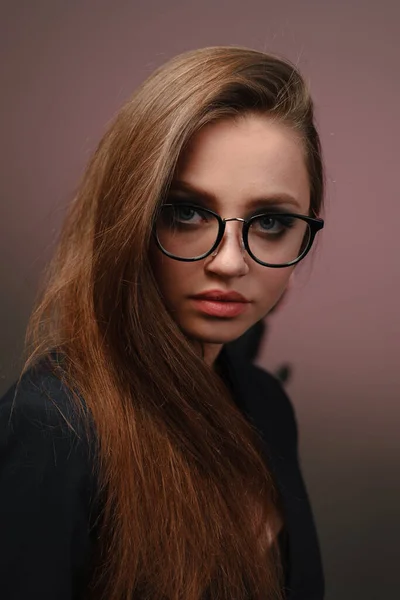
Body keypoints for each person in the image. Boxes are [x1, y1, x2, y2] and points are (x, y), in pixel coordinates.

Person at [0, 46, 325, 600]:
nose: (228, 262)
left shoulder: (266, 407)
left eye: (270, 221)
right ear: (127, 216)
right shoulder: (53, 427)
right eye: (187, 212)